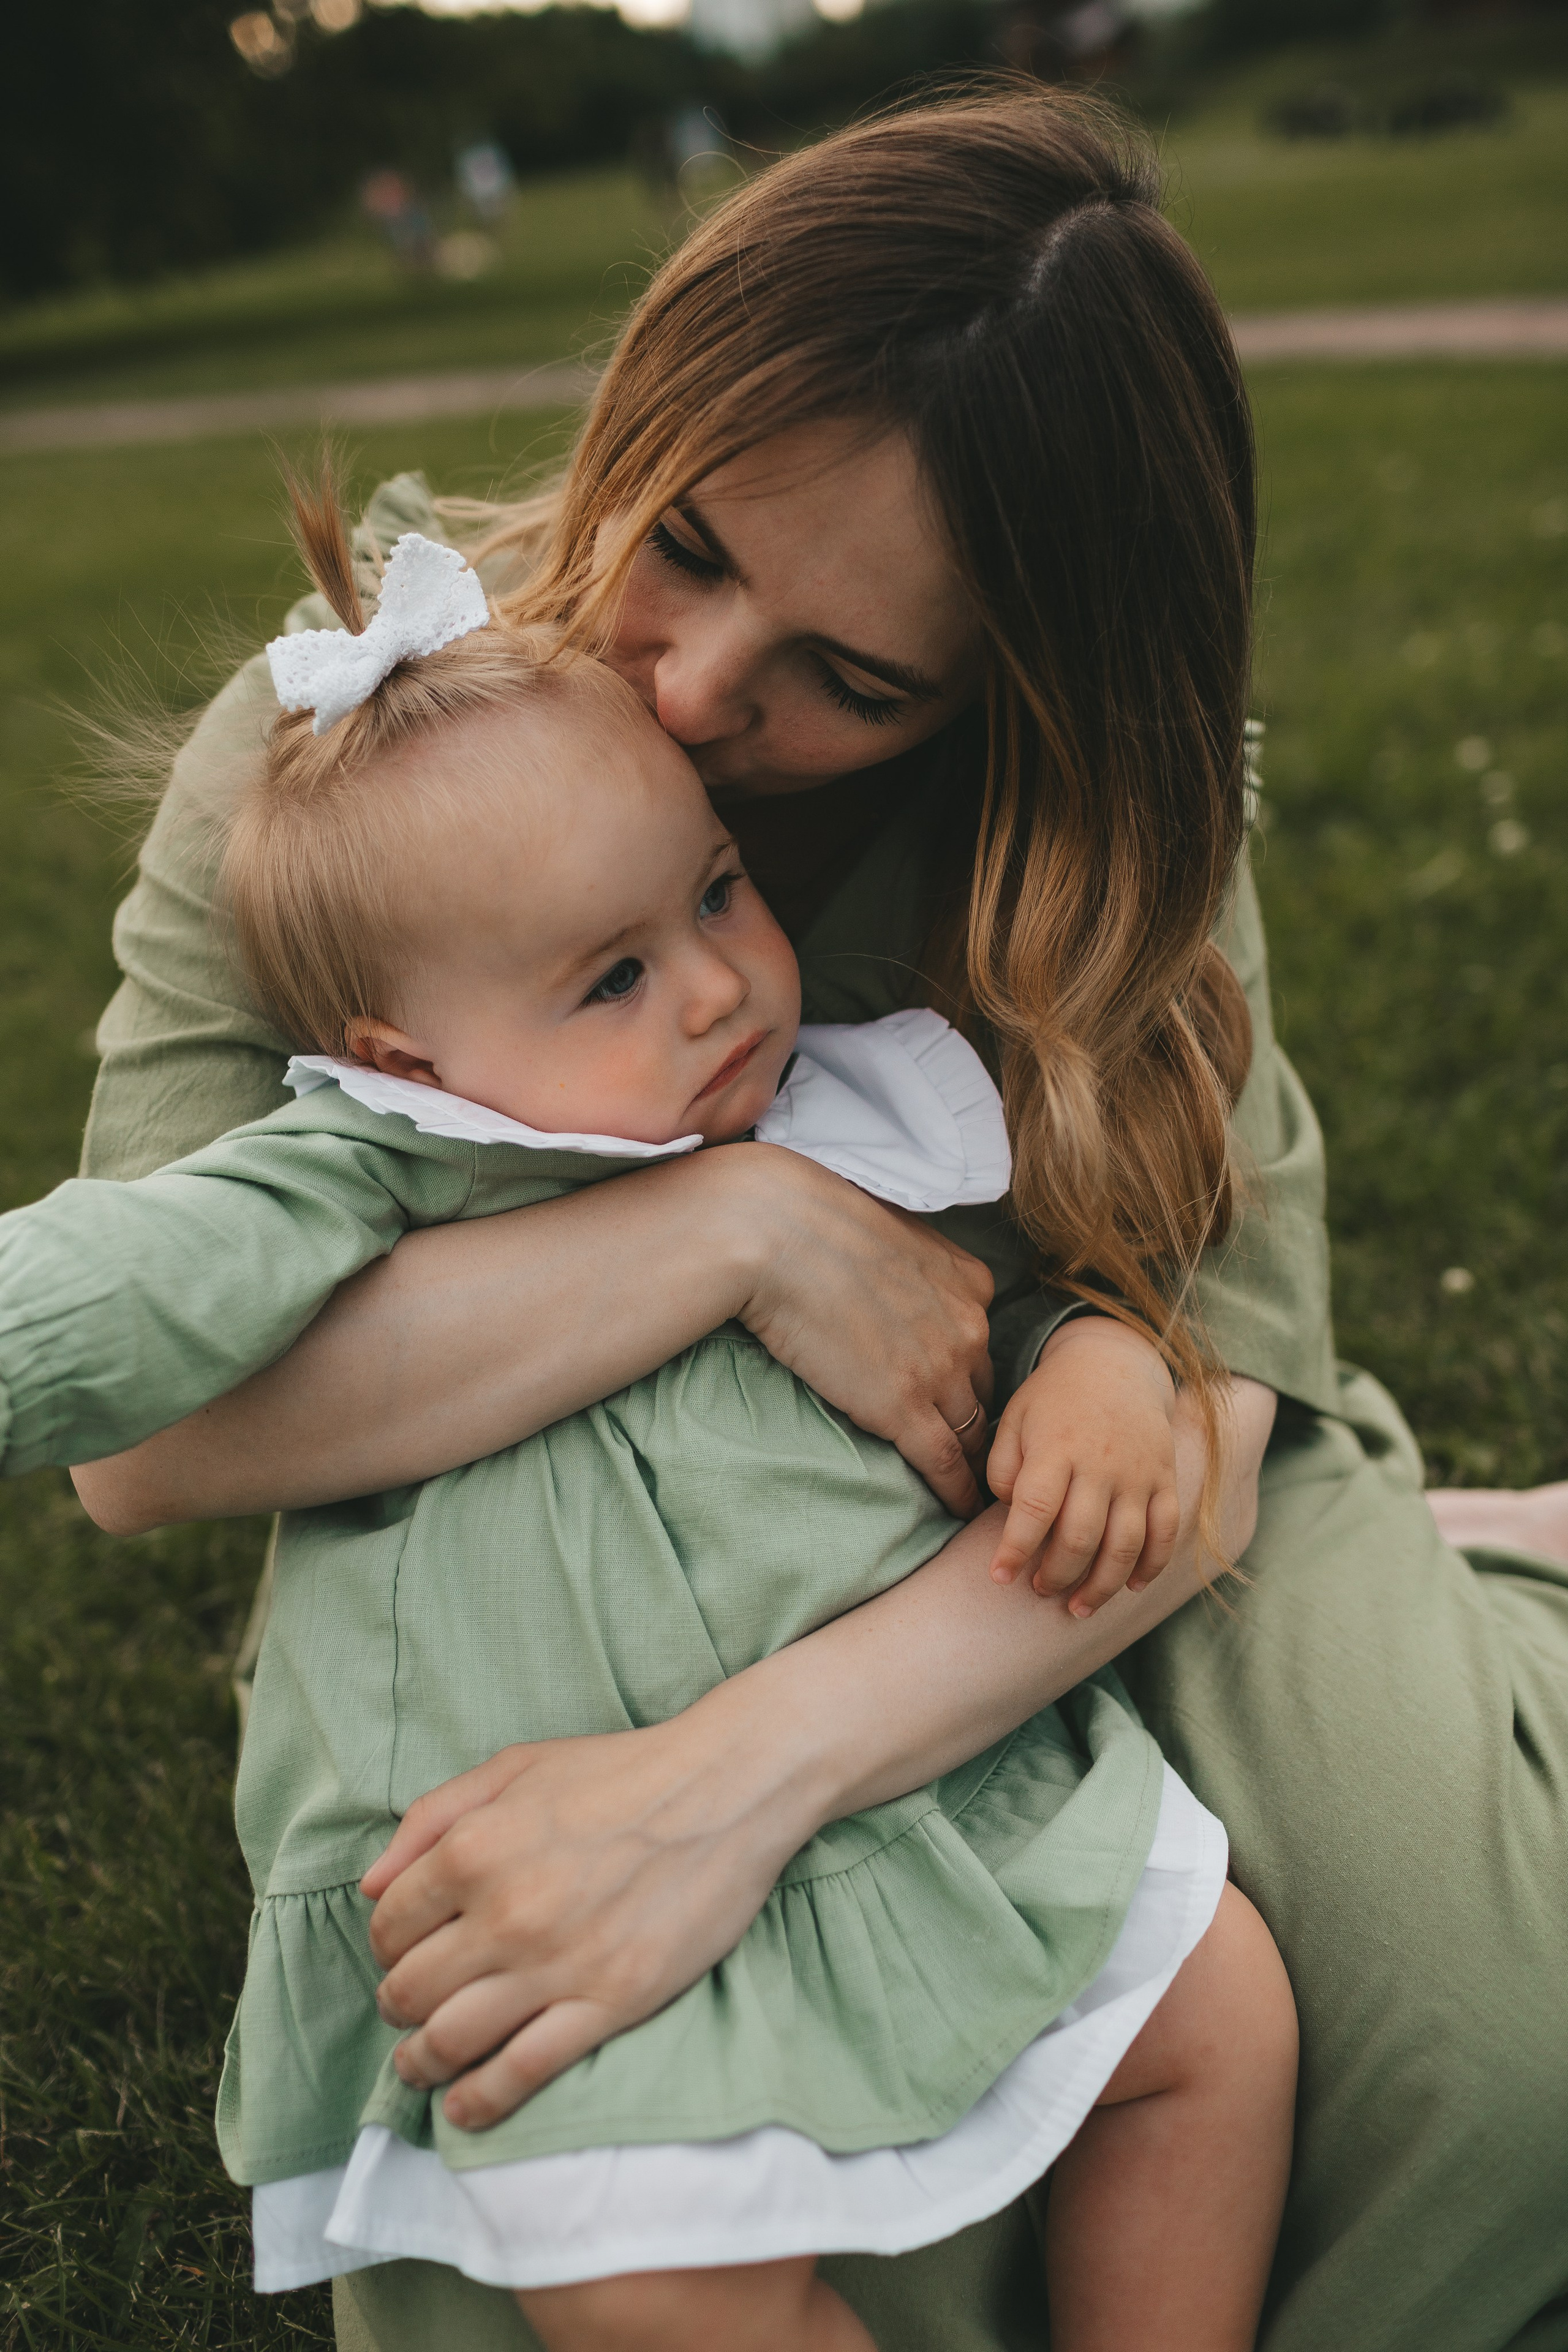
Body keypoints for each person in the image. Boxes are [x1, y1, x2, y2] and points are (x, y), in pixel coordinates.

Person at [67, 87, 1568, 2352]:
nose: (689, 686)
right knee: (683, 2238)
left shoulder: (1099, 808)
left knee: (1488, 2076)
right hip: (556, 1564)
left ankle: (1454, 1572)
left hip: (1070, 1527)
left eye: (855, 680)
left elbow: (1211, 1373)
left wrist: (725, 1795)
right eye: (682, 539)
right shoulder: (358, 752)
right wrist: (743, 1235)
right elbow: (146, 1441)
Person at [2, 490, 1296, 2344]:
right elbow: (131, 1289)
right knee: (642, 2282)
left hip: (894, 1783)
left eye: (717, 892)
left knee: (1219, 2014)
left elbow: (1012, 1299)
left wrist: (1099, 1364)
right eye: (611, 977)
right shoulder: (380, 1165)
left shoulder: (846, 1111)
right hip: (537, 1834)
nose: (713, 990)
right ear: (411, 1058)